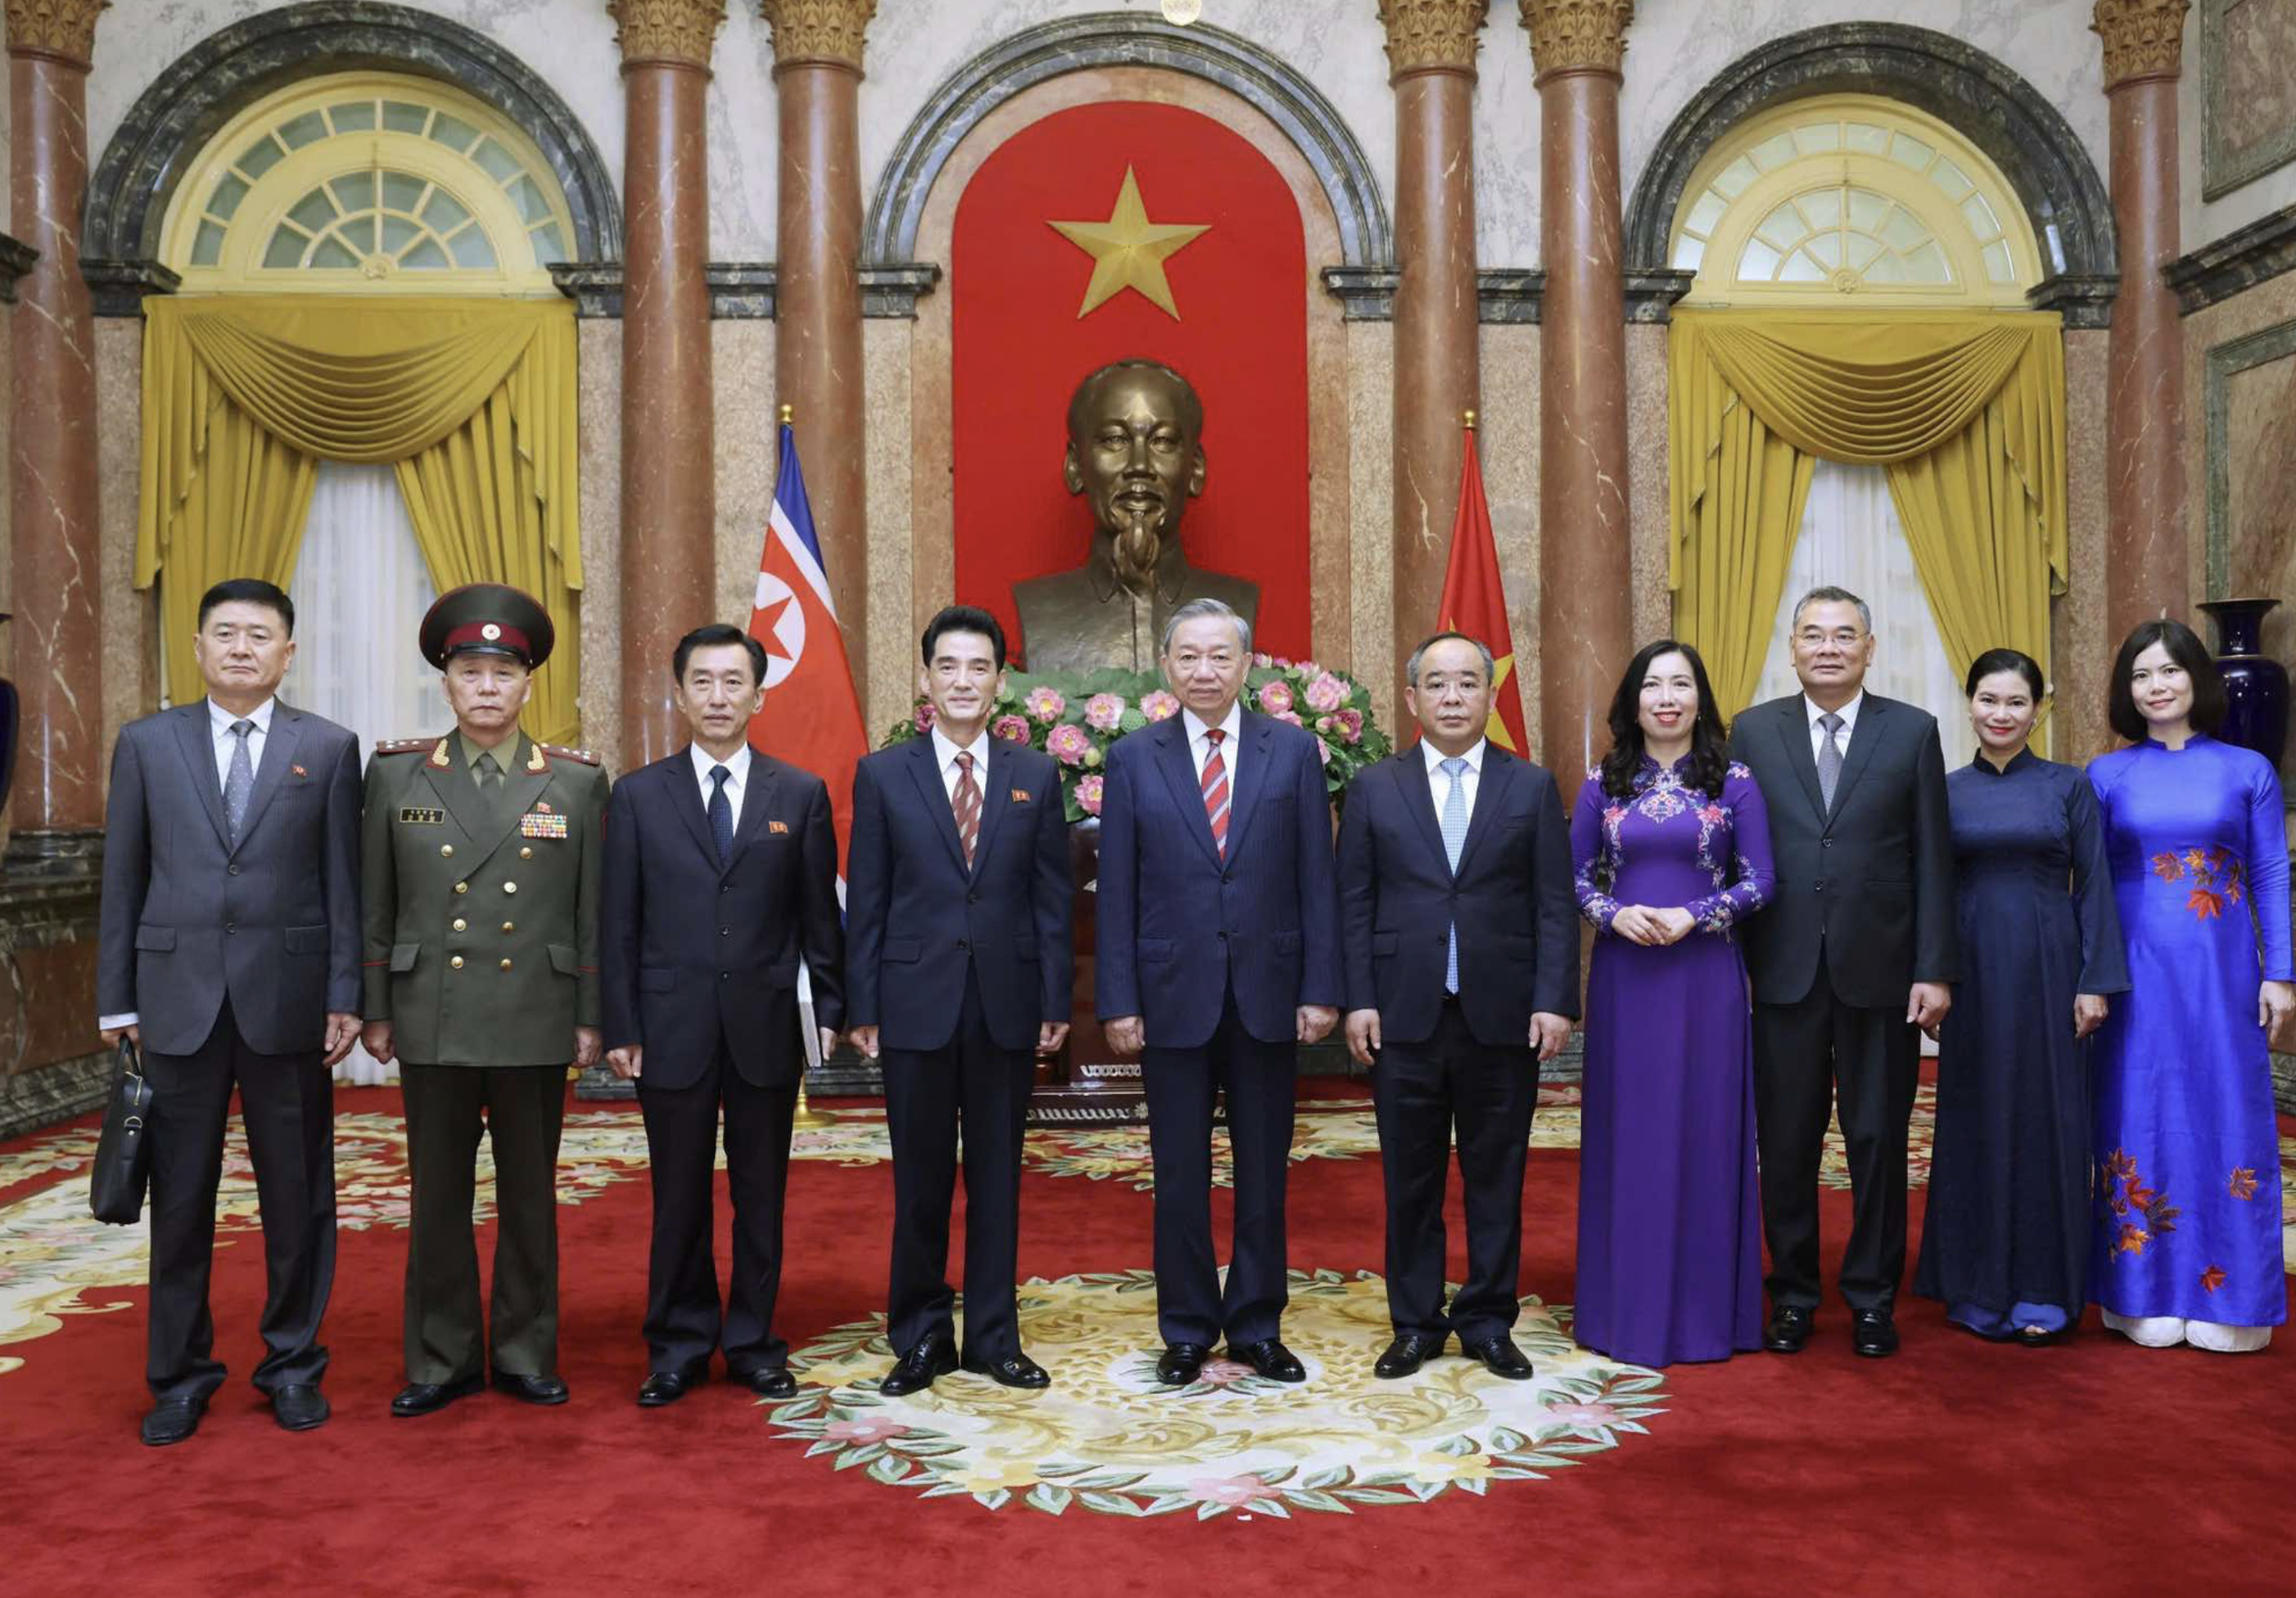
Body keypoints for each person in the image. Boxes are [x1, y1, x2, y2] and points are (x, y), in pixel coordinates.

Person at [96, 579, 362, 1445]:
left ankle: (291, 1363)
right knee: (180, 1202)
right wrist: (115, 999)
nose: (242, 647)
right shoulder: (146, 743)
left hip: (286, 1004)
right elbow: (123, 879)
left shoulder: (325, 747)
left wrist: (343, 993)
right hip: (176, 1004)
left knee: (297, 1196)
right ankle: (179, 1373)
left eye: (260, 634)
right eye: (225, 633)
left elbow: (342, 885)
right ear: (199, 648)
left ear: (289, 652)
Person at [359, 584, 608, 1416]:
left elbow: (591, 910)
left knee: (531, 1196)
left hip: (535, 1012)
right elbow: (376, 903)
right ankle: (440, 1357)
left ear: (529, 681)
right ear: (447, 682)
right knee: (436, 1196)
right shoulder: (397, 773)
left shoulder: (574, 782)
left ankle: (525, 1348)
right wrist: (376, 1008)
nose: (488, 686)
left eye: (503, 671)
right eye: (471, 670)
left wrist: (589, 1013)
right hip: (432, 1011)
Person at [1096, 598, 1341, 1385]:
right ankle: (1188, 1329)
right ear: (1167, 667)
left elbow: (1317, 879)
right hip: (1171, 995)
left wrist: (1321, 987)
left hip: (1271, 991)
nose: (1205, 670)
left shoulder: (1295, 752)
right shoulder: (1134, 758)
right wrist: (1119, 999)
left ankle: (1259, 1324)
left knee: (1265, 1171)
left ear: (1247, 665)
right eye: (1189, 656)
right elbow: (1119, 893)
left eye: (1220, 656)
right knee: (1179, 1174)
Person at [600, 624, 843, 1406]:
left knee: (761, 1197)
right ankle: (676, 1345)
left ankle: (752, 1343)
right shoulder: (638, 795)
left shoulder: (798, 794)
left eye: (732, 682)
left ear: (758, 695)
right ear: (679, 694)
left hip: (765, 1028)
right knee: (678, 1198)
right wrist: (621, 1024)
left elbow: (819, 921)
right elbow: (619, 923)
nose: (717, 697)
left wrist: (829, 1011)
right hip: (669, 1029)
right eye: (701, 682)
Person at [845, 607, 1074, 1395]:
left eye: (979, 667)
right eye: (949, 666)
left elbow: (1051, 900)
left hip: (1006, 1004)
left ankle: (992, 1338)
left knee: (998, 1177)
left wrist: (1054, 997)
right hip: (913, 1002)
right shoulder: (883, 774)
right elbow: (867, 900)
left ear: (1002, 681)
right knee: (920, 1179)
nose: (964, 681)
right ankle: (919, 1337)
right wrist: (862, 1003)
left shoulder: (1036, 775)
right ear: (925, 678)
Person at [1337, 632, 1576, 1381]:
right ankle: (1414, 1322)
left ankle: (1486, 1320)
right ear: (1412, 699)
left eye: (1467, 683)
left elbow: (1554, 905)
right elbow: (1354, 903)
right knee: (1409, 1179)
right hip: (1403, 1013)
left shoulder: (1530, 786)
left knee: (1495, 1174)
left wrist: (1554, 1000)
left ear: (1490, 696)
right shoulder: (1375, 786)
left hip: (1502, 1014)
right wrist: (1357, 1001)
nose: (1451, 697)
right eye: (1436, 685)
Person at [1728, 586, 1957, 1358]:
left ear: (1869, 647)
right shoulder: (1752, 732)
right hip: (1781, 973)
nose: (1829, 648)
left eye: (1844, 635)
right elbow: (1729, 853)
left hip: (1884, 975)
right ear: (1791, 648)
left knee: (1877, 1140)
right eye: (1813, 635)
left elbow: (1932, 858)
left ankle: (1871, 1299)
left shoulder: (1913, 732)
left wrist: (1935, 968)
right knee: (1785, 1143)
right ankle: (1791, 1294)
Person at [2085, 619, 2294, 1352]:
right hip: (2134, 973)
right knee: (2135, 1112)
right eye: (2142, 675)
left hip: (2222, 969)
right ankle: (2139, 1294)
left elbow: (2271, 873)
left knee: (2227, 1111)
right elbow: (2090, 889)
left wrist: (2282, 974)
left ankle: (2233, 1298)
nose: (2157, 686)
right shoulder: (2106, 777)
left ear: (2196, 680)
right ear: (2127, 690)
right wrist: (2090, 977)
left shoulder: (2247, 770)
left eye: (2170, 671)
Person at [1569, 639, 1773, 1366]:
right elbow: (1573, 879)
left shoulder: (1734, 782)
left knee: (1707, 1134)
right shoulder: (1604, 783)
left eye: (1680, 684)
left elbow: (1760, 882)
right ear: (1632, 700)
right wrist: (1611, 914)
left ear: (1700, 698)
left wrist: (1698, 915)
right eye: (1652, 685)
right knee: (1633, 1138)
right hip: (1628, 983)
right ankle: (1624, 1311)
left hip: (1706, 981)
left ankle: (1706, 1314)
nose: (1666, 697)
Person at [1914, 649, 2127, 1343]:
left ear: (2040, 709)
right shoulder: (1942, 789)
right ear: (1968, 703)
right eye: (1988, 701)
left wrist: (2096, 981)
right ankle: (1977, 1283)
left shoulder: (2071, 786)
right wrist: (1933, 974)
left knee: (2049, 1121)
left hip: (2052, 969)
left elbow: (2096, 887)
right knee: (1976, 1116)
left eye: (2015, 703)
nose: (2001, 715)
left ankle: (2045, 1286)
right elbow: (1929, 893)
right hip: (1971, 972)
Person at [1011, 358, 1260, 674]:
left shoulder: (1237, 602)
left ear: (1196, 468)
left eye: (1162, 441)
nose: (1139, 465)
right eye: (1115, 440)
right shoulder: (1039, 607)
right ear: (1075, 466)